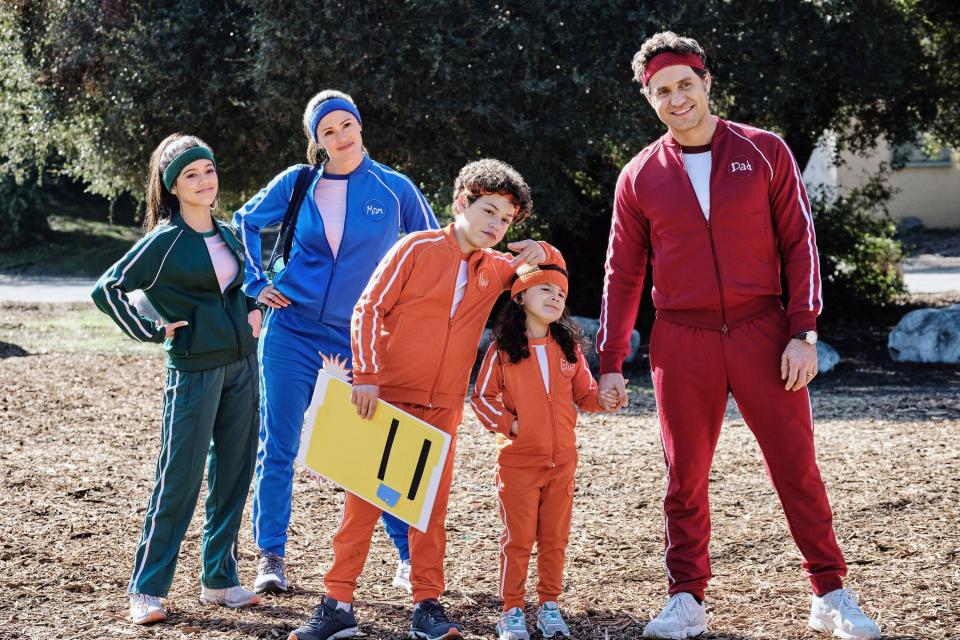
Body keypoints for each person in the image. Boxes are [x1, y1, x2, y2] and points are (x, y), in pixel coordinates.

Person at [596, 32, 881, 640]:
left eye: (685, 85)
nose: (677, 99)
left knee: (796, 467)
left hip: (764, 331)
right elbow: (623, 273)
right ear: (650, 99)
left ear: (706, 83)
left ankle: (831, 592)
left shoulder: (765, 151)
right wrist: (612, 359)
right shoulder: (640, 176)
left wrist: (803, 330)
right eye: (662, 91)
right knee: (685, 476)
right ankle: (686, 600)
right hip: (682, 338)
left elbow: (799, 242)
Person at [287, 158, 557, 640]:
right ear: (461, 203)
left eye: (505, 220)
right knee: (362, 505)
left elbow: (547, 283)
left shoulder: (497, 269)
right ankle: (337, 604)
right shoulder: (415, 247)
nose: (495, 225)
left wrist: (542, 250)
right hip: (384, 399)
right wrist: (366, 376)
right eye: (488, 211)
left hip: (442, 408)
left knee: (427, 510)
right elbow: (369, 308)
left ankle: (427, 607)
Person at [234, 90, 438, 595]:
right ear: (316, 141)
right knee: (278, 444)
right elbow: (244, 221)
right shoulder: (299, 183)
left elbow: (433, 252)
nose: (340, 136)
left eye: (346, 125)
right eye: (328, 131)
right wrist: (257, 283)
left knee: (371, 450)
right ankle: (271, 556)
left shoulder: (395, 189)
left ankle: (409, 557)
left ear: (360, 126)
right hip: (292, 330)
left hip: (361, 339)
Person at [91, 134, 262, 625]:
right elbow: (109, 289)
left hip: (242, 366)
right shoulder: (164, 241)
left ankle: (219, 579)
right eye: (191, 175)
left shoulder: (229, 232)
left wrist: (253, 312)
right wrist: (150, 328)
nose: (205, 181)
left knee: (234, 473)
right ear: (173, 186)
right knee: (180, 479)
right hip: (194, 372)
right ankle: (147, 589)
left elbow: (243, 286)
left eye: (208, 170)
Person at [471, 254, 618, 640]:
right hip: (518, 465)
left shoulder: (569, 349)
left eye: (560, 293)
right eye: (545, 289)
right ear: (520, 296)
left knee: (554, 539)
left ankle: (549, 606)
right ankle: (512, 610)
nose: (555, 297)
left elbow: (585, 395)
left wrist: (603, 399)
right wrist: (513, 425)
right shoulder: (501, 350)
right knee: (517, 540)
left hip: (562, 464)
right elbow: (482, 398)